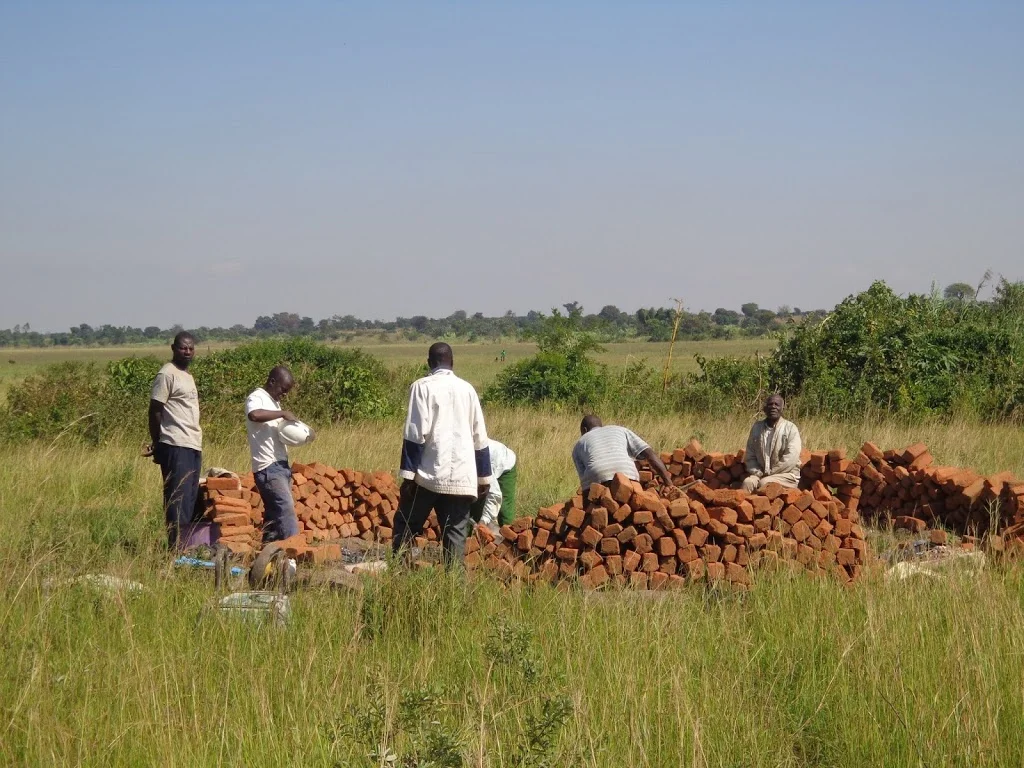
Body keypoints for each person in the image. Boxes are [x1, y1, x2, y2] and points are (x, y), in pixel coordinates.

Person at [393, 342, 492, 565]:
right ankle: (454, 588)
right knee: (455, 536)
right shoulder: (468, 389)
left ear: (429, 363)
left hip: (428, 476)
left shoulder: (422, 386)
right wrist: (484, 477)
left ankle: (398, 575)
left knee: (406, 525)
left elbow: (415, 433)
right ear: (453, 363)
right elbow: (480, 437)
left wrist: (408, 477)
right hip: (462, 479)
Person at [147, 331, 203, 548]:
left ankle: (187, 548)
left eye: (190, 348)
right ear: (173, 348)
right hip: (175, 443)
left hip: (192, 443)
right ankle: (175, 550)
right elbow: (155, 410)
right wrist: (158, 442)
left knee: (189, 499)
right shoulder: (166, 374)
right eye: (182, 348)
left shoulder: (187, 376)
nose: (187, 352)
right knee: (176, 500)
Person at [246, 366, 307, 544]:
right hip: (268, 467)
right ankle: (294, 552)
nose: (285, 394)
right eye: (283, 389)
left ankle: (267, 555)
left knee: (273, 516)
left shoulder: (273, 402)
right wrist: (282, 413)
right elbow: (254, 415)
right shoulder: (257, 397)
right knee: (286, 508)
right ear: (272, 382)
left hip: (279, 465)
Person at [572, 415, 673, 491]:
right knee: (633, 503)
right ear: (601, 425)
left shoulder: (578, 445)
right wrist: (669, 484)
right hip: (626, 473)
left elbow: (584, 480)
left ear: (584, 430)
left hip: (596, 477)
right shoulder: (620, 430)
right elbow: (649, 454)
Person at [741, 394, 803, 492]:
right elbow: (750, 455)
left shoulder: (791, 428)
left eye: (777, 404)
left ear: (782, 408)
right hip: (761, 474)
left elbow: (791, 458)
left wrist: (771, 473)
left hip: (786, 474)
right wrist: (758, 472)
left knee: (764, 483)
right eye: (770, 404)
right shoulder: (757, 428)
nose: (773, 406)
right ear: (765, 409)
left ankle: (763, 507)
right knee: (748, 483)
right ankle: (744, 506)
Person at [470, 438, 517, 531]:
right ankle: (469, 541)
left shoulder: (480, 460)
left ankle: (510, 541)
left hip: (505, 465)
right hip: (486, 465)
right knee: (474, 505)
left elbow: (494, 494)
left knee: (504, 510)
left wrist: (484, 521)